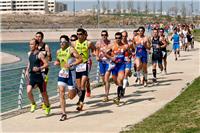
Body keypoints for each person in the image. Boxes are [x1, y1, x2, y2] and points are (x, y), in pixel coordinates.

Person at [54, 35, 82, 121]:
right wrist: (57, 62)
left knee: (71, 97)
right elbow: (58, 60)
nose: (61, 44)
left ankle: (77, 90)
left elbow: (80, 59)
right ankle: (63, 113)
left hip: (71, 73)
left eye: (63, 42)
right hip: (62, 73)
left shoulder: (71, 50)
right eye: (60, 42)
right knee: (61, 92)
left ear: (67, 42)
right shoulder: (58, 51)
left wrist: (71, 64)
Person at [71, 28, 96, 111]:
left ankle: (81, 103)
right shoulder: (74, 43)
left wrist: (93, 53)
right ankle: (81, 97)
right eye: (78, 34)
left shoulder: (88, 43)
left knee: (82, 85)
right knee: (78, 86)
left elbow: (94, 49)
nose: (79, 36)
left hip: (86, 64)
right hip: (78, 65)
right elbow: (71, 52)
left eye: (81, 34)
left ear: (84, 34)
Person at [25, 38, 51, 115]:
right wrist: (27, 71)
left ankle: (47, 106)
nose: (30, 45)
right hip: (32, 76)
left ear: (36, 45)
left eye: (32, 44)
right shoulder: (29, 54)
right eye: (30, 44)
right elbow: (29, 63)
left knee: (44, 94)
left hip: (39, 77)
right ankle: (33, 103)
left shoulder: (40, 54)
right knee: (28, 91)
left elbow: (46, 64)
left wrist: (39, 68)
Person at [104, 32, 128, 105]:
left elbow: (129, 53)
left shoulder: (125, 46)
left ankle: (118, 98)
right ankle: (121, 89)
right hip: (114, 66)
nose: (117, 39)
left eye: (119, 38)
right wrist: (111, 57)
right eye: (116, 38)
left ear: (121, 38)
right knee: (116, 82)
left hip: (121, 65)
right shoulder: (112, 45)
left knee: (119, 79)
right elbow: (105, 53)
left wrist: (127, 58)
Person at [35, 31, 52, 110]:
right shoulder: (34, 46)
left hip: (44, 69)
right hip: (36, 69)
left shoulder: (46, 46)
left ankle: (44, 103)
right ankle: (44, 101)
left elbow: (50, 58)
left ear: (42, 37)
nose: (38, 38)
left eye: (39, 36)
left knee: (43, 86)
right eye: (37, 36)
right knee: (38, 86)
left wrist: (47, 56)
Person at [96, 30, 114, 102]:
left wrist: (111, 55)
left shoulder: (110, 43)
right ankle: (106, 91)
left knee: (106, 79)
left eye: (105, 35)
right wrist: (97, 56)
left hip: (108, 62)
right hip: (101, 62)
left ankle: (106, 95)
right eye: (102, 35)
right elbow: (96, 50)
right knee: (103, 79)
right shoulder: (98, 43)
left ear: (107, 35)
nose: (104, 36)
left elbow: (113, 51)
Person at [121, 30, 134, 96]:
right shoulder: (118, 43)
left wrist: (130, 55)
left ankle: (123, 89)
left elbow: (133, 50)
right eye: (123, 36)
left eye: (125, 36)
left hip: (127, 61)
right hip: (120, 62)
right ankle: (129, 72)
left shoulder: (130, 43)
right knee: (122, 76)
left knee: (125, 75)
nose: (124, 37)